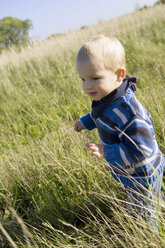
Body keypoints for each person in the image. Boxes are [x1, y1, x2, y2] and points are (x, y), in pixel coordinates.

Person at [74, 34, 165, 229]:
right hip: (136, 170)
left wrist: (107, 152)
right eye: (82, 79)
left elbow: (141, 150)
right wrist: (84, 122)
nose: (87, 85)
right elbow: (102, 115)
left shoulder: (130, 112)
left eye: (95, 78)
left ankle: (150, 236)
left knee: (142, 214)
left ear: (119, 75)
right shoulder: (108, 97)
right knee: (152, 200)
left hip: (143, 173)